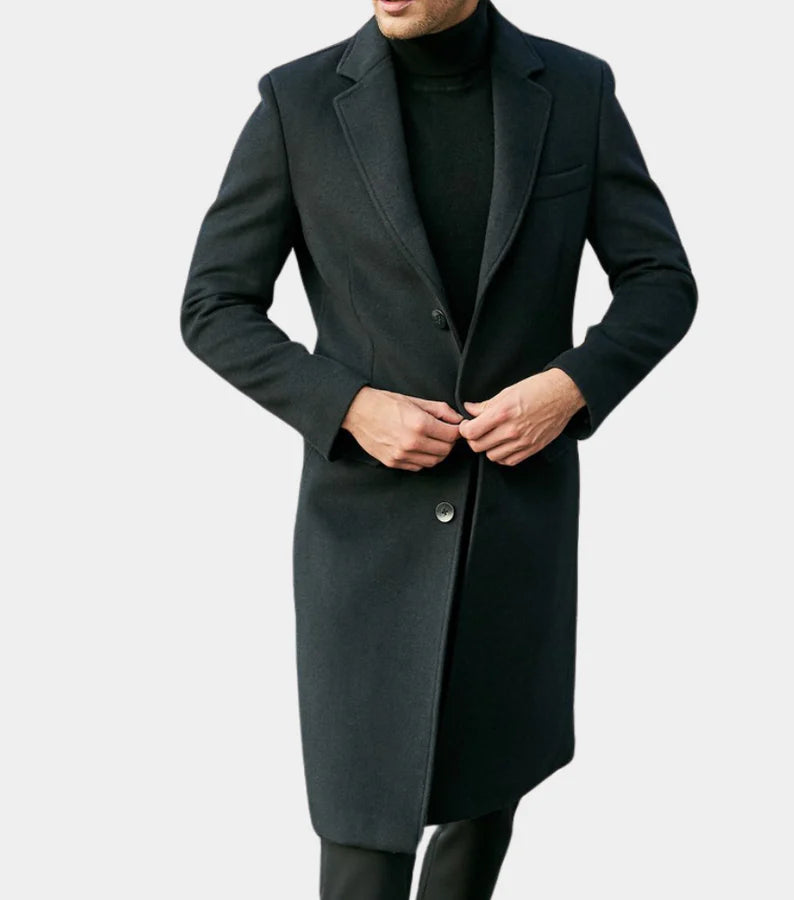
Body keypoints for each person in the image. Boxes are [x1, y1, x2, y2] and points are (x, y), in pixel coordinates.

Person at [181, 0, 697, 896]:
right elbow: (214, 305)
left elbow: (660, 280)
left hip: (515, 524)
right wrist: (348, 406)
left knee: (483, 808)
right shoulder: (297, 102)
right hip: (364, 538)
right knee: (362, 836)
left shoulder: (576, 89)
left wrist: (569, 387)